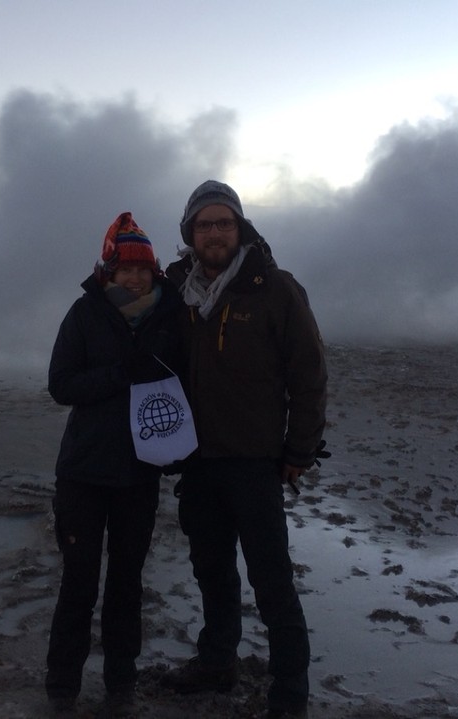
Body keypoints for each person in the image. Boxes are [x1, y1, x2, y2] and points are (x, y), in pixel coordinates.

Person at [161, 181, 328, 719]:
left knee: (271, 578)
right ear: (189, 233)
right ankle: (217, 663)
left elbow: (309, 374)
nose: (214, 232)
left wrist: (299, 449)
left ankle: (289, 692)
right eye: (203, 224)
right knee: (211, 570)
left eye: (223, 223)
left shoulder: (275, 288)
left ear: (240, 228)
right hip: (198, 461)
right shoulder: (175, 291)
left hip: (255, 460)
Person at [45, 212, 183, 716]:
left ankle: (121, 681)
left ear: (155, 271)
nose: (135, 277)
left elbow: (184, 384)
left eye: (143, 268)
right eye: (125, 268)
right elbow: (62, 385)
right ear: (108, 270)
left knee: (127, 580)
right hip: (84, 471)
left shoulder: (168, 317)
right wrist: (121, 373)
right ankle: (62, 685)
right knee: (78, 581)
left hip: (139, 473)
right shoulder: (84, 314)